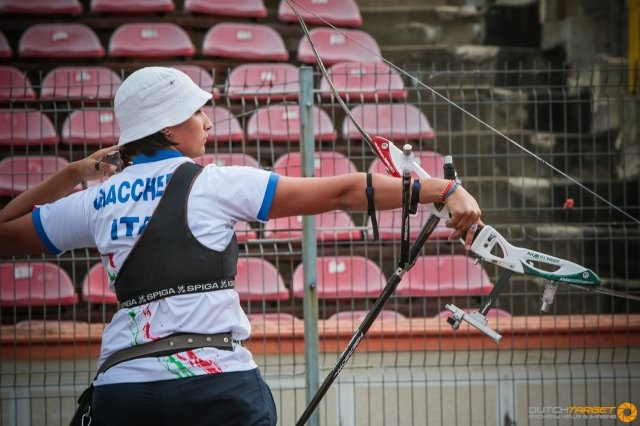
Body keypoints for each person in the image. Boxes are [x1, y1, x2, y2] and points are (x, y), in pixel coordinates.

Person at [0, 66, 483, 425]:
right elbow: (340, 190)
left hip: (123, 393)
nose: (208, 121)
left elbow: (6, 228)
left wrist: (71, 174)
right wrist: (442, 189)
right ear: (169, 128)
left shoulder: (97, 200)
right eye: (196, 112)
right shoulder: (217, 184)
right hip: (214, 388)